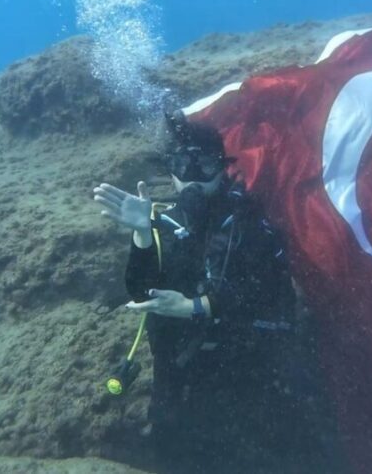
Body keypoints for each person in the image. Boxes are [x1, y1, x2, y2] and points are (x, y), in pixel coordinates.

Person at [92, 111, 305, 473]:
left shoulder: (250, 223)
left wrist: (196, 306)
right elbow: (140, 290)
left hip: (248, 377)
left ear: (222, 168)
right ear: (170, 171)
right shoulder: (160, 220)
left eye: (204, 166)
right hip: (178, 381)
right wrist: (142, 235)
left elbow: (269, 293)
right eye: (181, 166)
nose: (191, 178)